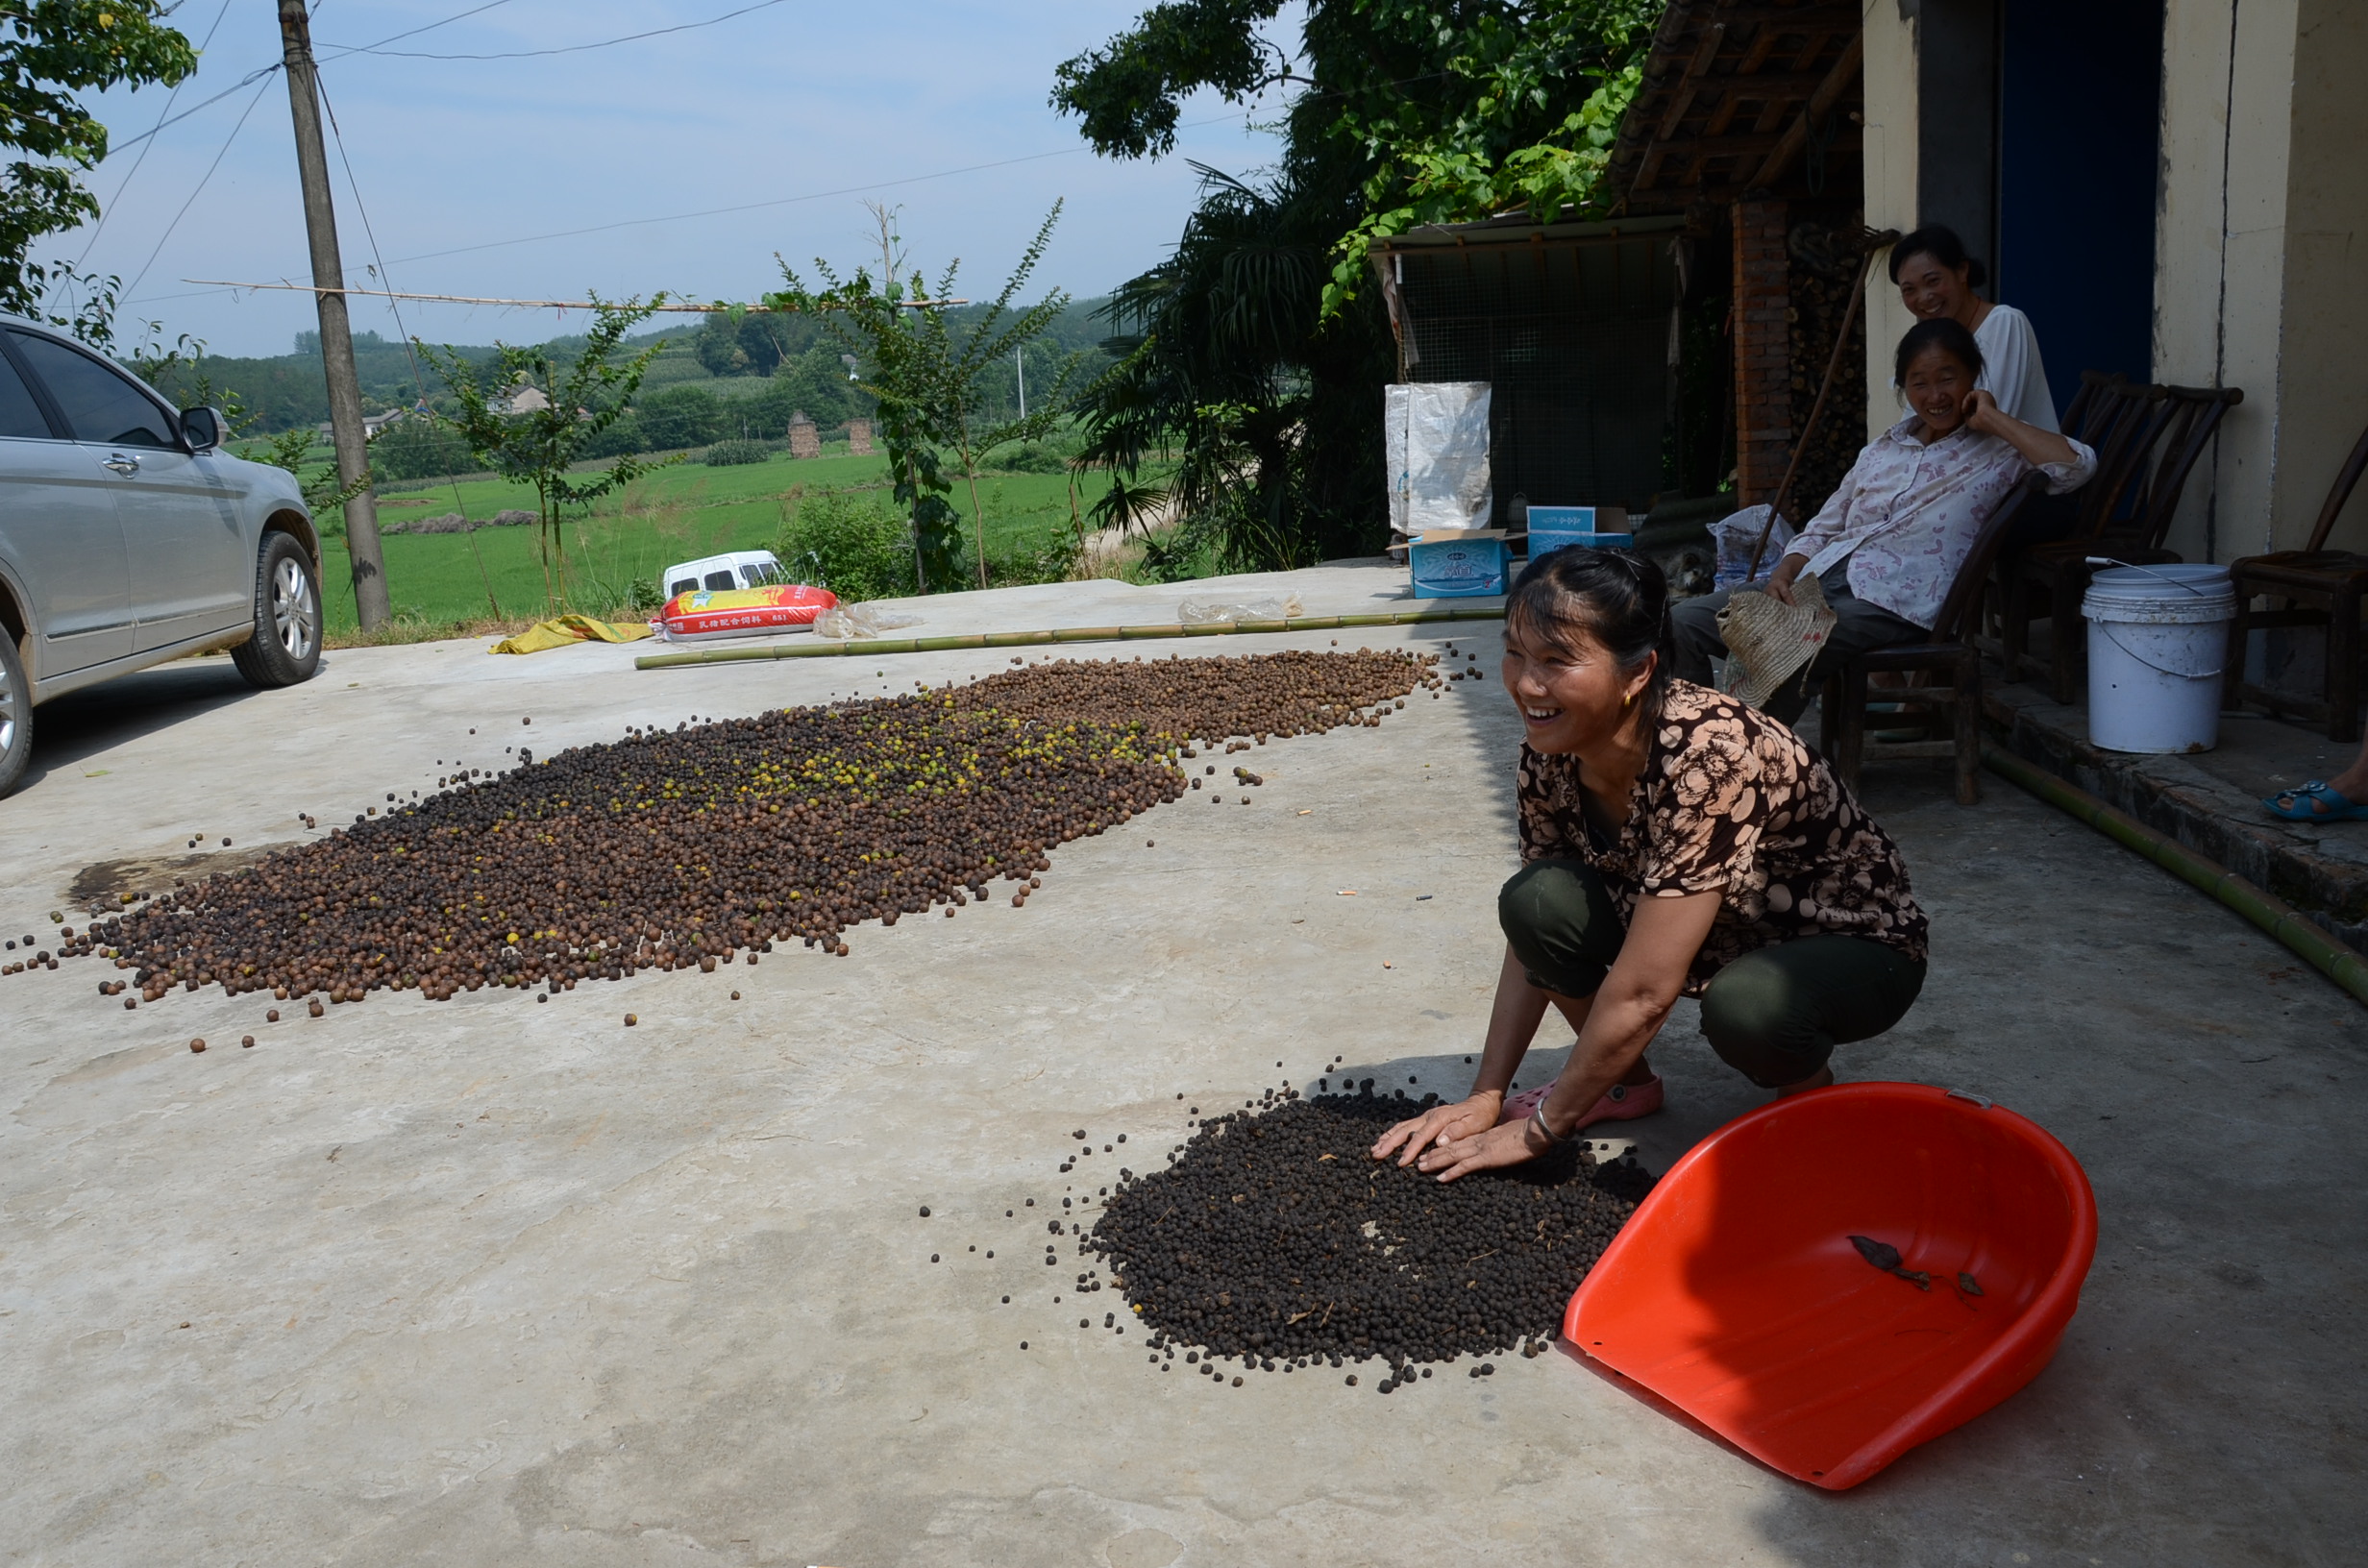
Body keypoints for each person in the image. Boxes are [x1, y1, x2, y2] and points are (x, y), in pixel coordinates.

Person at [1369, 547, 1935, 1183]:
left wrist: (1540, 1131)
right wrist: (1485, 1096)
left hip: (1842, 942)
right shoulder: (1552, 748)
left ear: (1638, 673)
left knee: (1748, 1009)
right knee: (1536, 899)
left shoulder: (1711, 754)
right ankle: (1622, 1084)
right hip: (1703, 926)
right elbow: (1534, 938)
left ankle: (1806, 1090)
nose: (1527, 684)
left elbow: (1644, 993)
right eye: (1517, 653)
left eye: (1557, 661)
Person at [1670, 318, 2097, 723]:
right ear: (1904, 388)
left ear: (1973, 379)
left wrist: (1994, 418)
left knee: (1788, 647)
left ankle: (1754, 767)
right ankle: (1702, 739)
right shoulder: (1882, 450)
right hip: (1820, 581)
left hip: (1893, 602)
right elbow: (1826, 524)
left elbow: (2078, 467)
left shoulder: (1999, 450)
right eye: (1919, 383)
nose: (1935, 396)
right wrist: (1784, 571)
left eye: (1948, 379)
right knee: (1683, 623)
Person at [1890, 224, 2059, 432]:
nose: (1924, 297)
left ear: (1962, 271)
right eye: (1909, 290)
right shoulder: (1931, 340)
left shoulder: (2006, 324)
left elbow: (1991, 423)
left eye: (1933, 281)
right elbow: (1911, 425)